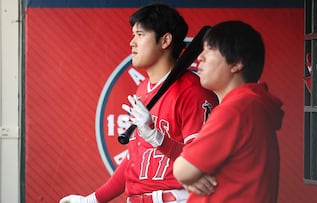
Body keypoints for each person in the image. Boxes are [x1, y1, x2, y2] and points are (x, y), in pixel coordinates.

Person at [59, 3, 218, 203]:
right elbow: (134, 161)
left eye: (140, 35)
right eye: (133, 35)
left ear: (165, 40)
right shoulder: (143, 90)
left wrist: (156, 137)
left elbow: (202, 162)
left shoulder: (192, 90)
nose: (132, 42)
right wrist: (92, 200)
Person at [173, 20, 284, 203]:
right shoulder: (249, 105)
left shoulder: (236, 109)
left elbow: (183, 170)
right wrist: (191, 175)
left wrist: (189, 174)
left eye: (210, 49)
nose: (200, 57)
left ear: (237, 63)